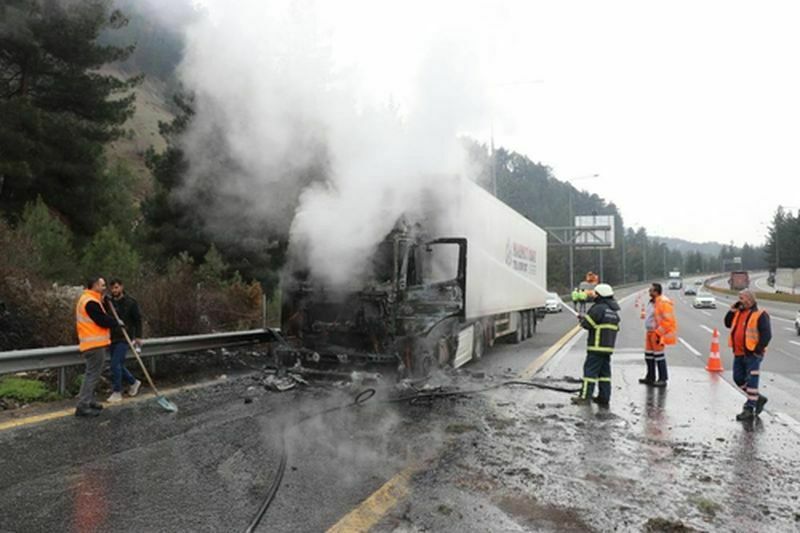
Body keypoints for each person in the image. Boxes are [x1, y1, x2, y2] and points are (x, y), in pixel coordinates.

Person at [75, 276, 121, 417]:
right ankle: (83, 405)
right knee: (92, 375)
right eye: (102, 285)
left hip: (93, 344)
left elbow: (101, 315)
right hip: (93, 345)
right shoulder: (90, 302)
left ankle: (88, 401)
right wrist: (117, 322)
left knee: (92, 374)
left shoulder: (91, 299)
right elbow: (101, 320)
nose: (104, 287)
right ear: (95, 285)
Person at [724, 290, 772, 421]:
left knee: (751, 380)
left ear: (750, 300)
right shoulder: (738, 312)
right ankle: (757, 398)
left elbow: (766, 334)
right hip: (738, 352)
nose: (739, 300)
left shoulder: (760, 314)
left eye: (742, 298)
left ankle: (749, 408)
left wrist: (757, 350)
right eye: (739, 298)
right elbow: (727, 323)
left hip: (752, 354)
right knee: (738, 378)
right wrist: (731, 311)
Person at [571, 283, 621, 407]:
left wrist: (582, 319)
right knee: (604, 374)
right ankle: (604, 397)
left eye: (595, 293)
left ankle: (584, 397)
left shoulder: (598, 308)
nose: (593, 296)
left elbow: (587, 324)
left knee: (590, 372)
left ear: (600, 295)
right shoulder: (613, 311)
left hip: (596, 347)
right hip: (607, 348)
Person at [107, 278, 142, 403]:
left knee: (115, 364)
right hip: (112, 337)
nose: (114, 290)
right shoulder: (109, 302)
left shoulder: (131, 302)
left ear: (121, 287)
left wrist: (138, 336)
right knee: (118, 365)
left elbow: (138, 320)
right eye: (112, 288)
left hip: (124, 337)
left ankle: (117, 391)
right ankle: (133, 382)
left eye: (116, 287)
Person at [639, 283, 676, 387]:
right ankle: (650, 377)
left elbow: (668, 321)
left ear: (656, 291)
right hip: (650, 332)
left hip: (657, 333)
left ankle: (662, 379)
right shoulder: (652, 302)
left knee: (659, 357)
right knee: (649, 356)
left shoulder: (663, 302)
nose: (649, 292)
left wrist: (659, 333)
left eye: (651, 290)